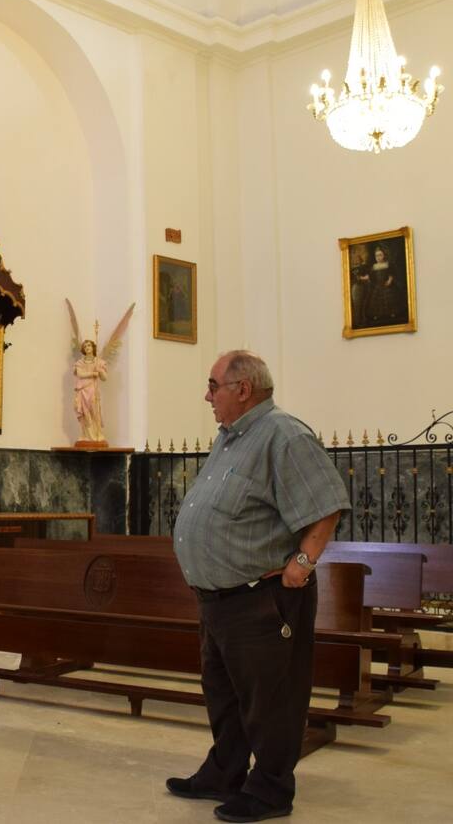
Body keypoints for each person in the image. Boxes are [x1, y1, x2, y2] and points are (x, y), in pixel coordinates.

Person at [167, 350, 349, 823]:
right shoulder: (230, 438)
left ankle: (270, 789)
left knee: (271, 700)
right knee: (224, 694)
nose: (207, 396)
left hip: (262, 598)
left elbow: (326, 506)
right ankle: (224, 773)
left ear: (243, 389)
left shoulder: (284, 435)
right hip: (220, 599)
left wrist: (302, 564)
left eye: (213, 386)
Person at [72, 339, 107, 443]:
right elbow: (80, 374)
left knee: (94, 411)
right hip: (82, 389)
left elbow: (104, 378)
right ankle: (85, 435)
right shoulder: (79, 363)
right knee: (83, 412)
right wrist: (92, 373)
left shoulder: (99, 362)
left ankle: (98, 434)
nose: (87, 348)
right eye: (85, 346)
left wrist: (100, 371)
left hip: (92, 389)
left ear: (93, 347)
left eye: (89, 345)